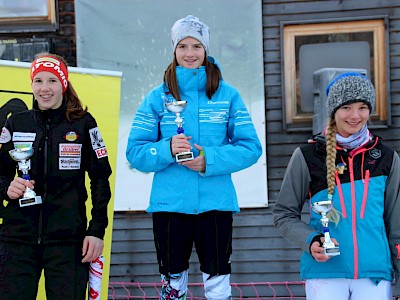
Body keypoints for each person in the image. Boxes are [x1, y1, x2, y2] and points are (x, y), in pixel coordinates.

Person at [126, 15, 262, 300]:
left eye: (197, 46)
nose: (190, 53)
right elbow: (135, 152)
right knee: (173, 286)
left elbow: (251, 148)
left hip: (216, 204)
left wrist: (208, 161)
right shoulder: (156, 98)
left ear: (206, 50)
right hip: (169, 206)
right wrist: (166, 149)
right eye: (183, 46)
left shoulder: (227, 96)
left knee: (217, 283)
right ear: (174, 51)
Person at [273, 72, 400, 300]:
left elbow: (396, 222)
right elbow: (284, 214)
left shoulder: (387, 158)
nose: (355, 115)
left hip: (375, 275)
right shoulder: (308, 156)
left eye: (362, 107)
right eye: (347, 107)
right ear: (333, 111)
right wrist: (311, 240)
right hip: (325, 272)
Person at [0, 53, 112, 300]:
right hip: (17, 240)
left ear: (63, 83)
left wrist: (96, 230)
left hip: (67, 242)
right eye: (38, 81)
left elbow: (101, 179)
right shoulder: (16, 123)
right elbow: (0, 172)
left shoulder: (83, 123)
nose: (45, 88)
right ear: (31, 85)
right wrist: (7, 187)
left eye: (52, 80)